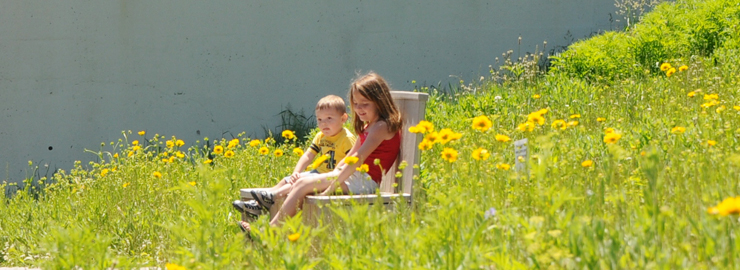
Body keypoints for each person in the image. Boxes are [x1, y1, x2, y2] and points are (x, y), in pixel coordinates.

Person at [238, 71, 402, 232]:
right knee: (298, 179)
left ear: (379, 101)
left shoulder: (381, 127)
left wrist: (333, 184)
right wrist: (335, 172)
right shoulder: (369, 126)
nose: (359, 108)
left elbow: (358, 159)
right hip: (354, 177)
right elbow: (351, 155)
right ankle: (267, 210)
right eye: (356, 104)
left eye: (365, 103)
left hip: (365, 182)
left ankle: (270, 232)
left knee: (303, 184)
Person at [232, 95, 356, 220]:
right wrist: (296, 172)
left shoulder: (347, 138)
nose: (324, 123)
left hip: (332, 177)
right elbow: (308, 155)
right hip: (319, 172)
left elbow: (351, 162)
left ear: (343, 118)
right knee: (287, 180)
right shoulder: (320, 136)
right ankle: (259, 203)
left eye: (329, 118)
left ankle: (271, 196)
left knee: (298, 184)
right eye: (319, 119)